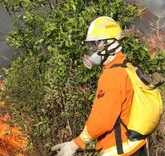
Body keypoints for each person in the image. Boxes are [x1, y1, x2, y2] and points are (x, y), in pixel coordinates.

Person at [51, 16, 147, 156]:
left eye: (95, 45)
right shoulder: (128, 68)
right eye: (90, 46)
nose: (92, 50)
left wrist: (75, 144)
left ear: (108, 45)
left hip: (121, 151)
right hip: (135, 147)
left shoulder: (112, 76)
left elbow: (102, 121)